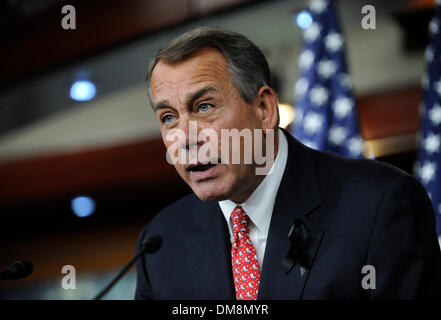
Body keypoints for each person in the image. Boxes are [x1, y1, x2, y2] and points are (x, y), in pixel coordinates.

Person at [135, 26, 441, 299]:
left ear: (265, 109)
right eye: (169, 118)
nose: (185, 138)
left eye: (204, 106)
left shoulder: (379, 205)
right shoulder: (162, 242)